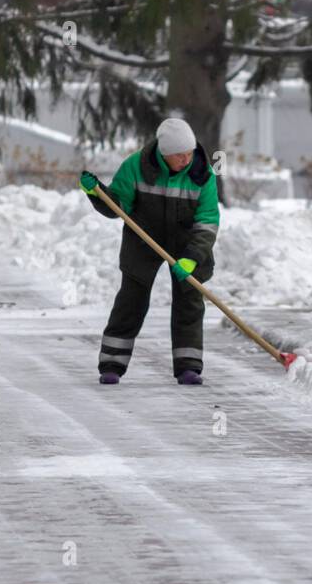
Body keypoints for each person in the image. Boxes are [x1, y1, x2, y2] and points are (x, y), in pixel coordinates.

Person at [79, 117, 220, 386]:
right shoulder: (136, 166)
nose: (186, 160)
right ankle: (112, 363)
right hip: (143, 238)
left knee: (189, 301)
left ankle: (188, 366)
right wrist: (96, 193)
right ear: (164, 154)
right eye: (180, 156)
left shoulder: (202, 174)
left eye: (189, 153)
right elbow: (116, 206)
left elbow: (208, 221)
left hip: (187, 242)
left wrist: (193, 257)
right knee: (131, 299)